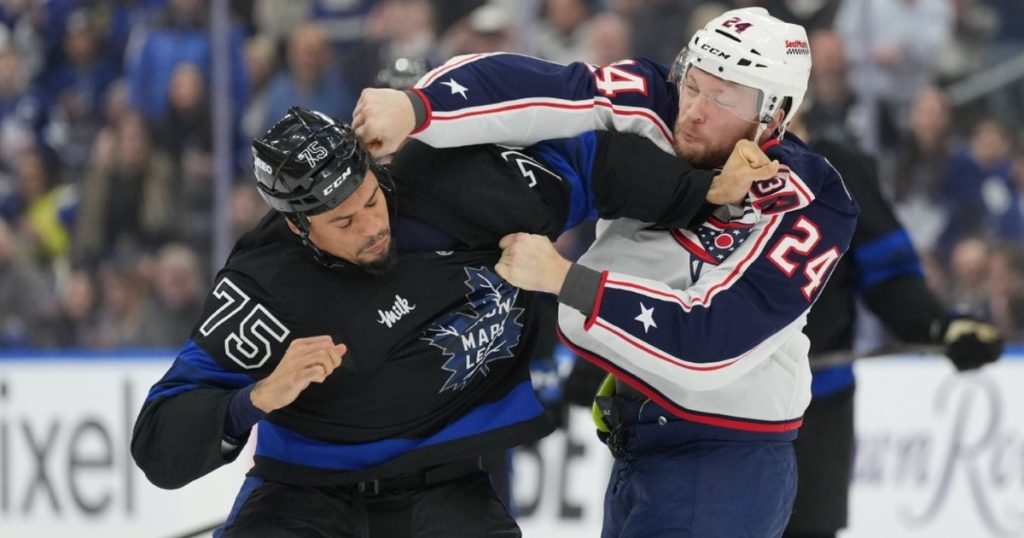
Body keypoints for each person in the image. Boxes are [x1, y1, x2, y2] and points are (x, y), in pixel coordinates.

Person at [130, 106, 776, 537]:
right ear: (297, 227)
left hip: (448, 486)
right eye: (343, 224)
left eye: (369, 200)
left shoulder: (455, 185)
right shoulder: (264, 284)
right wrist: (253, 399)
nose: (371, 225)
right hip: (304, 495)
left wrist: (698, 193)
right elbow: (159, 443)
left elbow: (591, 159)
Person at [354, 7, 859, 536]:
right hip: (637, 439)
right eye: (694, 84)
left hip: (723, 458)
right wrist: (416, 107)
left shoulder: (810, 202)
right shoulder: (660, 102)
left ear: (775, 114)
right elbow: (541, 87)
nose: (693, 111)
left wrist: (564, 280)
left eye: (723, 98)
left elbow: (708, 343)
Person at [780, 115, 1003, 538]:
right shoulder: (700, 158)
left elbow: (889, 275)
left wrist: (939, 327)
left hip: (814, 407)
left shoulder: (840, 171)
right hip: (709, 404)